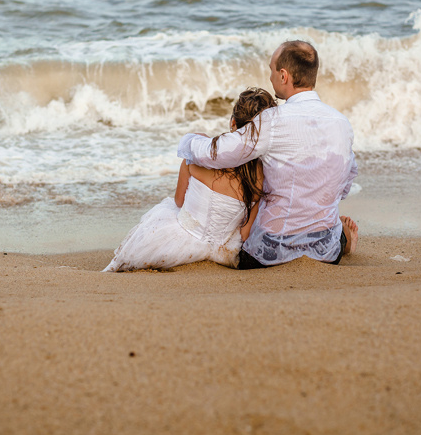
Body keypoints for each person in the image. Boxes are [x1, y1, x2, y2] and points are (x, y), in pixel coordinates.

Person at [178, 40, 358, 269]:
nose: (270, 76)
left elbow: (219, 154)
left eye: (271, 70)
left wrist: (190, 141)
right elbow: (345, 185)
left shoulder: (273, 120)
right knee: (331, 226)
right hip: (326, 250)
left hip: (270, 253)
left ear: (284, 76)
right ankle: (344, 239)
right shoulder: (342, 123)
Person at [103, 88, 277, 272]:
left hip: (179, 242)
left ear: (232, 122)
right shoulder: (261, 174)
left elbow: (179, 201)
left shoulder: (198, 155)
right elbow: (244, 233)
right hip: (224, 251)